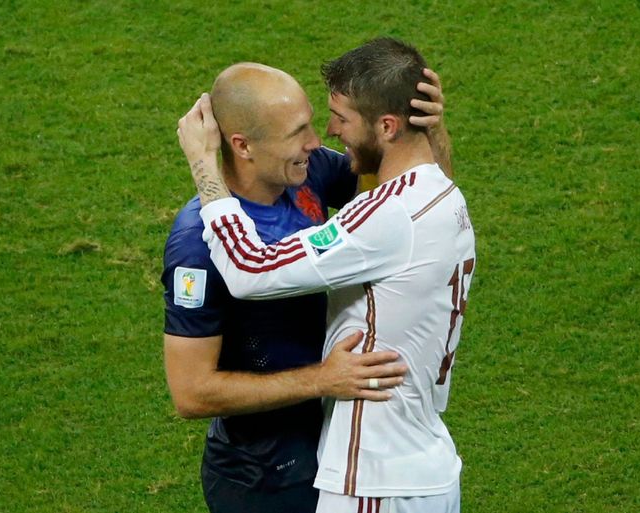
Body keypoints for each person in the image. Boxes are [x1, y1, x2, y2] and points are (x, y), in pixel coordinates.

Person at [178, 38, 475, 513]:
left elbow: (250, 270)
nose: (326, 135)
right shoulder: (443, 194)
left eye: (341, 118)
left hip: (375, 479)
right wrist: (431, 131)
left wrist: (202, 166)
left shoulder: (385, 217)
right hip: (427, 466)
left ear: (388, 125)